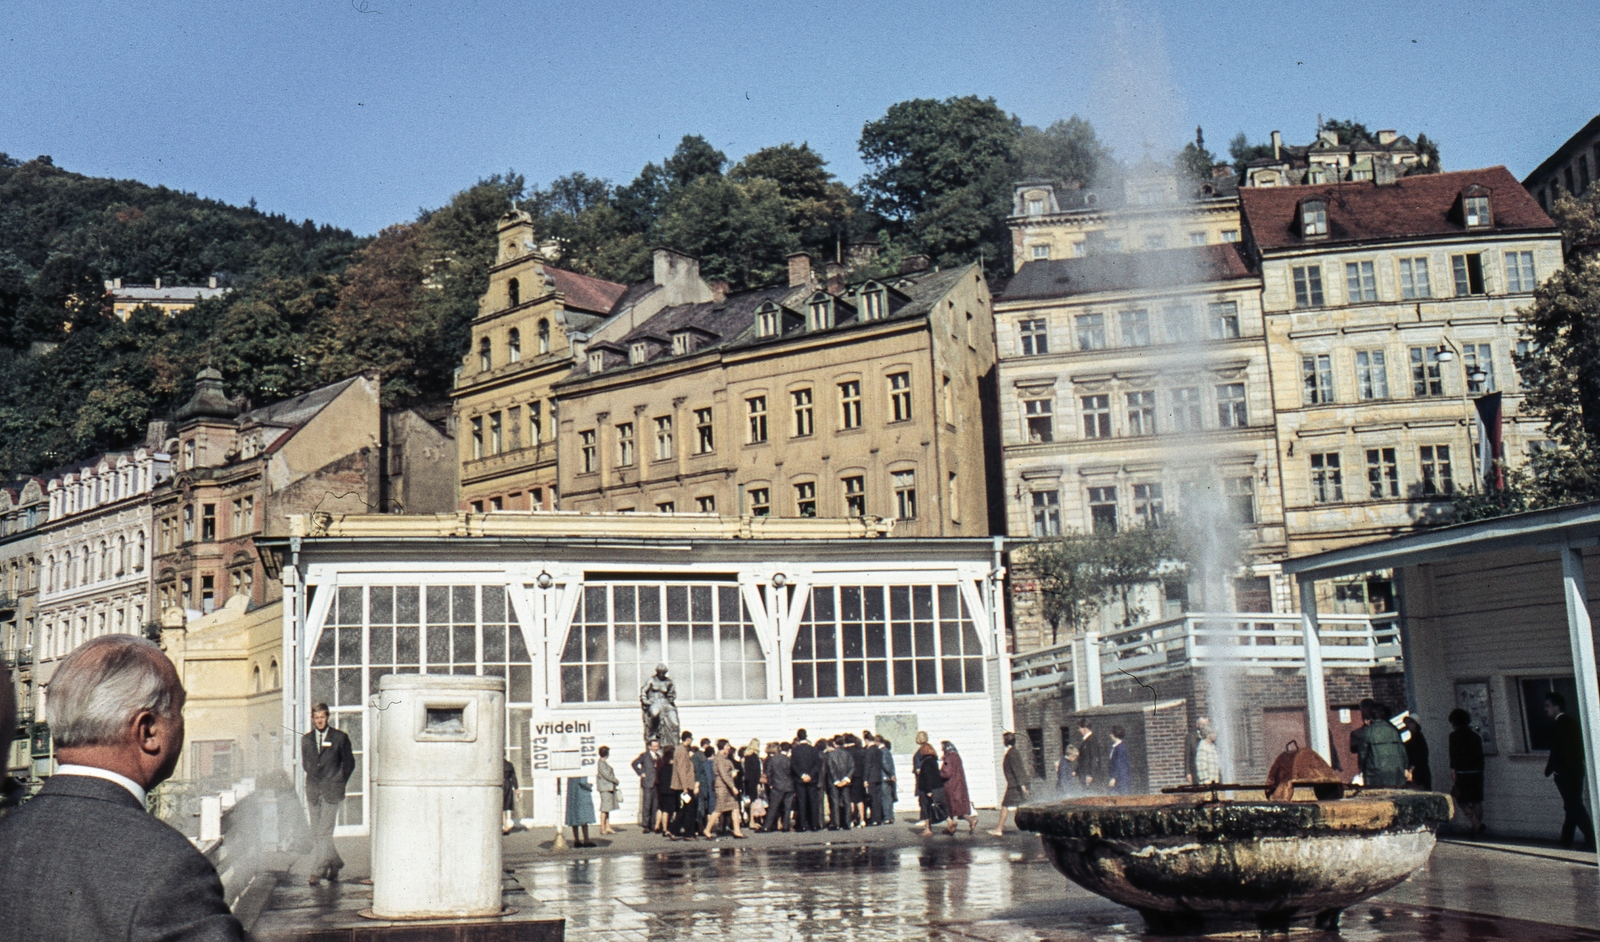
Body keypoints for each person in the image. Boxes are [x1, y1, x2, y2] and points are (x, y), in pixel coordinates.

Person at [0, 634, 246, 941]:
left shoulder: (8, 836)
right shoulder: (169, 868)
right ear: (148, 731)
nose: (182, 723)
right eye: (179, 709)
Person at [302, 701, 355, 886]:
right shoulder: (306, 739)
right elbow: (306, 764)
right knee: (317, 832)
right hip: (313, 791)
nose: (319, 721)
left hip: (332, 791)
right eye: (316, 718)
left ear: (327, 717)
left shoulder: (340, 738)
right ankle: (335, 862)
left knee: (324, 832)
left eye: (322, 717)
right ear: (312, 719)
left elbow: (349, 763)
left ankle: (317, 870)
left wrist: (338, 781)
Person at [1545, 692, 1595, 850]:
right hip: (1576, 769)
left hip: (1565, 772)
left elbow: (1557, 750)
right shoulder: (1571, 723)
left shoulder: (1558, 725)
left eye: (1548, 706)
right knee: (1572, 805)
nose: (1546, 709)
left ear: (1556, 707)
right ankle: (1566, 839)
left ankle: (1592, 838)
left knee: (1574, 805)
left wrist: (1550, 769)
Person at [1447, 708, 1486, 835]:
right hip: (1477, 772)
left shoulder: (1454, 736)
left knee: (1462, 801)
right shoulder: (1476, 736)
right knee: (1476, 800)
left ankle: (1476, 823)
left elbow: (1453, 755)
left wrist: (1453, 771)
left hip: (1462, 773)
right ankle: (1476, 827)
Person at [1352, 700, 1407, 788]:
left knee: (1377, 794)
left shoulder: (1367, 732)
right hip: (1396, 770)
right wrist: (1405, 767)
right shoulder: (1394, 730)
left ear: (1371, 716)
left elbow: (1362, 754)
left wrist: (1361, 768)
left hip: (1375, 772)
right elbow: (1402, 751)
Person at [704, 740, 746, 839]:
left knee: (735, 808)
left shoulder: (725, 759)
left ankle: (737, 831)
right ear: (723, 747)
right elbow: (723, 775)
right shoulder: (719, 759)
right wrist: (733, 786)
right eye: (727, 746)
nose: (729, 748)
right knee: (719, 809)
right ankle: (707, 830)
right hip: (722, 788)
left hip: (727, 787)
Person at [991, 731, 1030, 836]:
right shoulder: (1013, 752)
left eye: (1003, 740)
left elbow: (1018, 770)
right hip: (1016, 784)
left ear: (1006, 741)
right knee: (1024, 806)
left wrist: (1023, 787)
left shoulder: (1012, 754)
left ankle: (999, 829)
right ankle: (1035, 829)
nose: (1002, 741)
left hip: (1015, 786)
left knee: (1005, 805)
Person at [939, 740, 979, 835]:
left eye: (942, 747)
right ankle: (959, 824)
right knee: (958, 808)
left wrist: (938, 773)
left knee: (952, 807)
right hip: (959, 785)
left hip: (951, 786)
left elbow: (947, 773)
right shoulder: (957, 756)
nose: (941, 749)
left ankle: (953, 826)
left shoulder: (948, 758)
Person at [790, 729, 822, 832]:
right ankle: (815, 824)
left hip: (800, 779)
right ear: (806, 736)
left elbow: (793, 765)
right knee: (813, 801)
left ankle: (802, 825)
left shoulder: (795, 750)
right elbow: (817, 764)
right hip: (812, 779)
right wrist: (810, 775)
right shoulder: (813, 750)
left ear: (798, 737)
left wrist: (802, 775)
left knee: (801, 802)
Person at [669, 731, 699, 838]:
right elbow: (681, 770)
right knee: (689, 809)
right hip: (685, 786)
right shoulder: (682, 751)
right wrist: (685, 787)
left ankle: (673, 830)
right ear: (688, 739)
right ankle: (688, 834)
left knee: (685, 809)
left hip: (685, 785)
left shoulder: (682, 750)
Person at [914, 735, 944, 837]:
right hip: (938, 788)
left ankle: (927, 829)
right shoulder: (934, 761)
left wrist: (928, 790)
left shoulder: (926, 763)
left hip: (927, 789)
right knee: (939, 807)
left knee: (926, 808)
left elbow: (927, 777)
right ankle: (950, 823)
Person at [825, 736, 854, 829]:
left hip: (834, 782)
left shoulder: (831, 754)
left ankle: (836, 823)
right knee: (847, 801)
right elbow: (852, 767)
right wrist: (846, 779)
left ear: (834, 743)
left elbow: (831, 768)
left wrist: (836, 780)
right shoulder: (848, 754)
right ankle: (847, 822)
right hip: (845, 780)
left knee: (835, 802)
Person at [632, 738, 661, 831]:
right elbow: (634, 764)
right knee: (647, 804)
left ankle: (653, 824)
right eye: (654, 746)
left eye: (657, 746)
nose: (656, 748)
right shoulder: (644, 756)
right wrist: (641, 773)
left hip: (656, 783)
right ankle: (645, 825)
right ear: (649, 747)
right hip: (647, 783)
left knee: (655, 805)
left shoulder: (658, 756)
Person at [765, 742, 794, 832]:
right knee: (787, 807)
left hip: (777, 785)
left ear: (780, 748)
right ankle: (786, 826)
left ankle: (767, 826)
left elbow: (769, 772)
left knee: (773, 807)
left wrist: (770, 783)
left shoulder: (773, 759)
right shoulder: (789, 760)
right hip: (789, 786)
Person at [595, 745, 621, 835]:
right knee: (605, 808)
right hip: (605, 788)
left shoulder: (603, 763)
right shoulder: (601, 763)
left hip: (608, 788)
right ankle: (602, 828)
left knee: (607, 808)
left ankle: (608, 826)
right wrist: (615, 780)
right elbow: (607, 775)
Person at [1403, 716, 1432, 791]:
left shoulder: (1417, 738)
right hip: (1419, 771)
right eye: (1406, 723)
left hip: (1419, 771)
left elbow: (1417, 755)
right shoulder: (1415, 738)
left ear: (1416, 724)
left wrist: (1411, 770)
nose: (1407, 725)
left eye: (1410, 722)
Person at [1074, 720, 1105, 793]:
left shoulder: (1092, 740)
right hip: (1085, 775)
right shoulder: (1087, 740)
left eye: (1079, 728)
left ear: (1085, 728)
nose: (1078, 730)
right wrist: (1076, 771)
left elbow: (1094, 758)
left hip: (1089, 777)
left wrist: (1090, 774)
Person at [861, 733, 884, 825]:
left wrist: (865, 779)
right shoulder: (878, 750)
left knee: (873, 799)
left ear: (866, 740)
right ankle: (878, 818)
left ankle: (874, 819)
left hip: (871, 777)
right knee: (877, 798)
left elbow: (868, 766)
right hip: (878, 776)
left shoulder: (869, 751)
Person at [565, 775, 595, 847]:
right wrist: (589, 786)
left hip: (572, 794)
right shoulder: (581, 771)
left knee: (574, 817)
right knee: (584, 817)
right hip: (581, 794)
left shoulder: (571, 774)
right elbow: (582, 782)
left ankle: (576, 840)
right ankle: (586, 839)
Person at [655, 744, 678, 835]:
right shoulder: (674, 769)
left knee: (664, 809)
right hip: (671, 791)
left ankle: (663, 828)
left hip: (662, 791)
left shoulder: (662, 768)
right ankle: (671, 828)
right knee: (673, 810)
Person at [741, 739, 764, 827]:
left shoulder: (747, 757)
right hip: (753, 781)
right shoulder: (754, 757)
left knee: (751, 801)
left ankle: (751, 820)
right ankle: (752, 821)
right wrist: (758, 783)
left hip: (748, 781)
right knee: (753, 801)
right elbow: (756, 772)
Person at [1185, 716, 1213, 785]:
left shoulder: (1211, 737)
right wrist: (1188, 773)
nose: (1204, 727)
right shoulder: (1191, 737)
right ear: (1197, 725)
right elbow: (1187, 755)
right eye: (1202, 724)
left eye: (1206, 724)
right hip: (1196, 770)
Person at [877, 735, 897, 823]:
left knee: (886, 797)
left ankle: (887, 817)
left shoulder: (882, 751)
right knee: (888, 797)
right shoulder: (886, 751)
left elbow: (885, 764)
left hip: (885, 777)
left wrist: (891, 774)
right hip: (887, 777)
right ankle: (890, 816)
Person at [1107, 726, 1132, 795]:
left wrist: (1114, 778)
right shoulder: (1115, 747)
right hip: (1118, 780)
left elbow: (1119, 764)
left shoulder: (1120, 748)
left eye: (1111, 733)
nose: (1110, 735)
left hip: (1121, 780)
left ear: (1115, 734)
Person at [502, 757, 519, 834]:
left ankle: (505, 826)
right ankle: (505, 826)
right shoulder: (509, 764)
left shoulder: (497, 764)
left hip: (501, 785)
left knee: (500, 807)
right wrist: (516, 788)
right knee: (503, 807)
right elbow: (513, 777)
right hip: (508, 785)